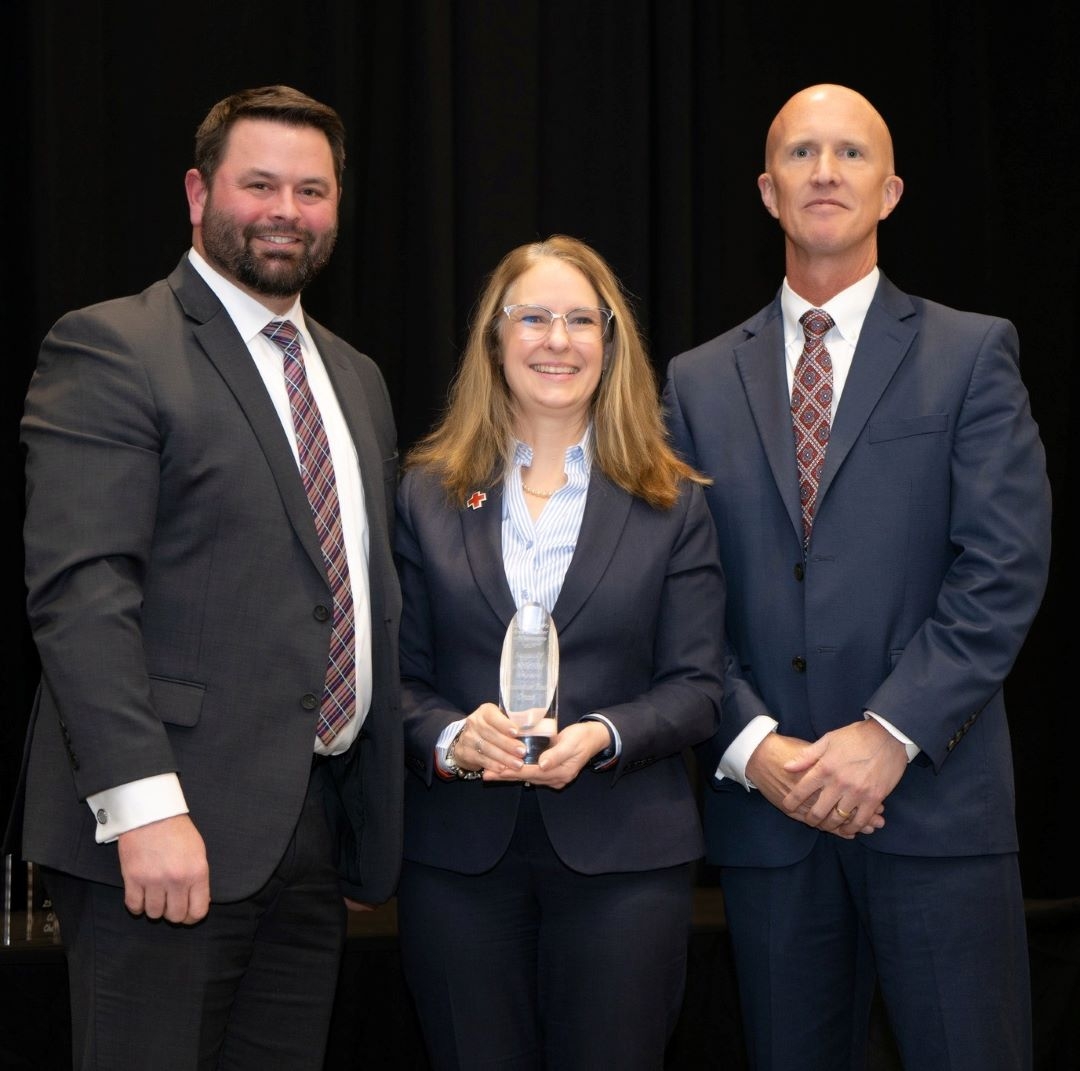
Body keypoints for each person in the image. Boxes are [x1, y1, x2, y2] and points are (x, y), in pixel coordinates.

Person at [663, 83, 1052, 1069]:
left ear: (891, 190)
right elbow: (677, 590)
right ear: (765, 190)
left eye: (849, 154)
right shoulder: (695, 383)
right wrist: (757, 749)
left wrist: (887, 737)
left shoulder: (971, 355)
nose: (824, 172)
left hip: (934, 808)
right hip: (769, 821)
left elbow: (1002, 568)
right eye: (800, 154)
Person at [16, 85, 403, 1070]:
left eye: (311, 190)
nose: (287, 211)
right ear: (199, 194)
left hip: (306, 836)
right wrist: (145, 809)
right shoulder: (112, 346)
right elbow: (81, 595)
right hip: (162, 833)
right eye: (260, 183)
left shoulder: (354, 376)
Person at [394, 234, 725, 1069]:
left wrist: (604, 734)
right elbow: (394, 678)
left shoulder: (670, 499)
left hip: (625, 860)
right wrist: (448, 737)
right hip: (460, 859)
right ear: (494, 338)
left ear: (610, 343)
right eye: (532, 316)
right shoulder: (425, 492)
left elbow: (697, 686)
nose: (557, 338)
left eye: (582, 319)